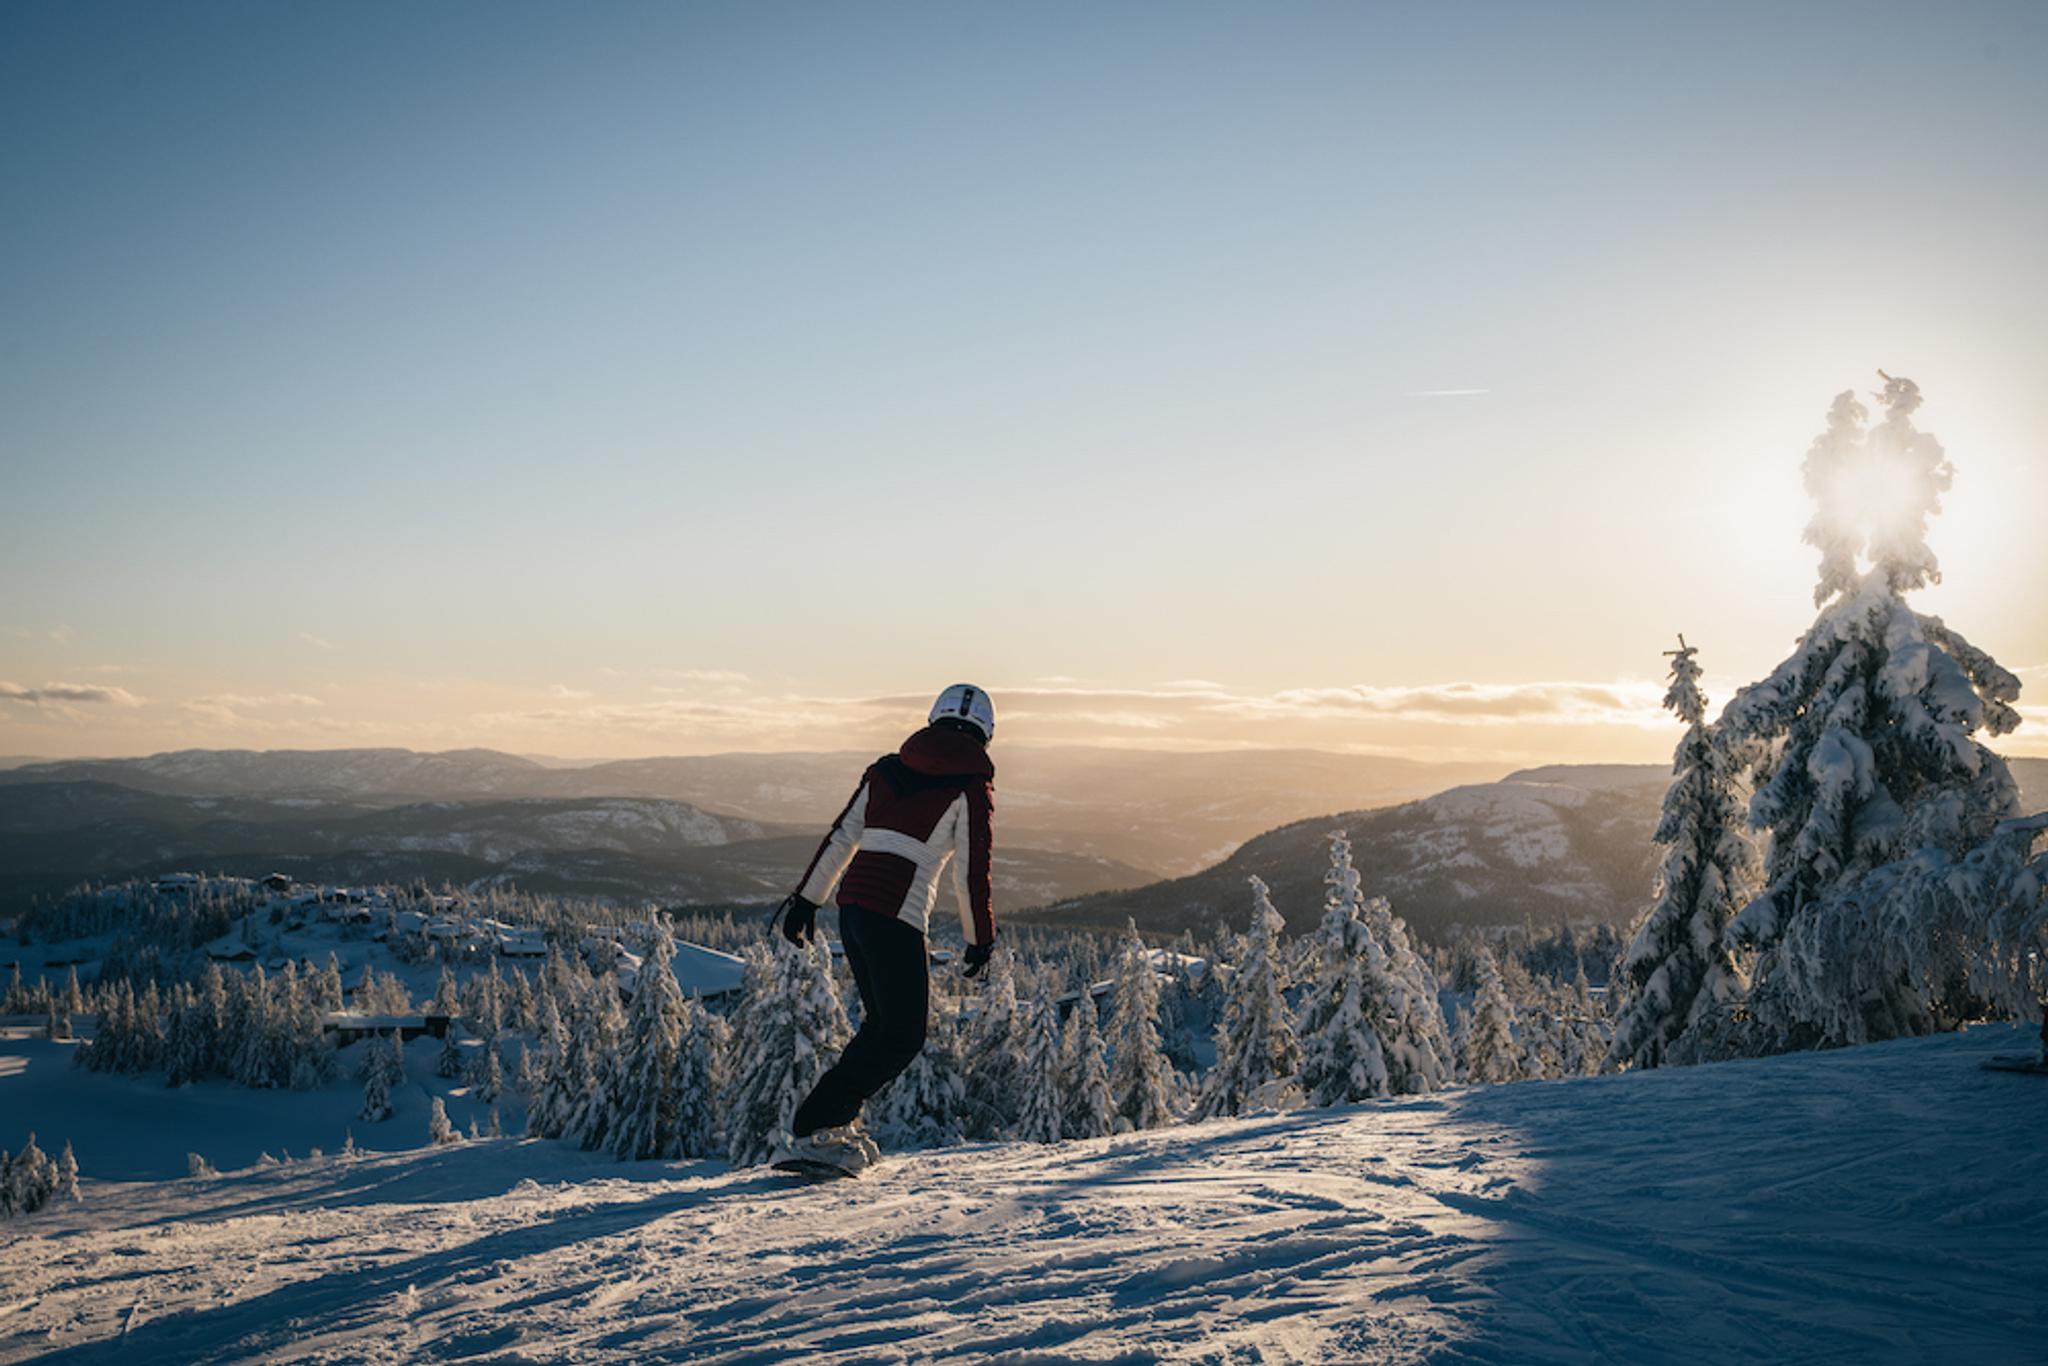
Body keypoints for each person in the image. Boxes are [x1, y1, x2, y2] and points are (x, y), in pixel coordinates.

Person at [770, 683, 998, 1171]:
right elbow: (971, 873)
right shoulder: (970, 788)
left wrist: (806, 900)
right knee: (903, 1035)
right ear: (985, 733)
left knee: (882, 1027)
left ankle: (829, 1124)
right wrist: (980, 940)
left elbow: (842, 837)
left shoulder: (885, 770)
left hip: (853, 909)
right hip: (898, 915)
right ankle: (814, 1128)